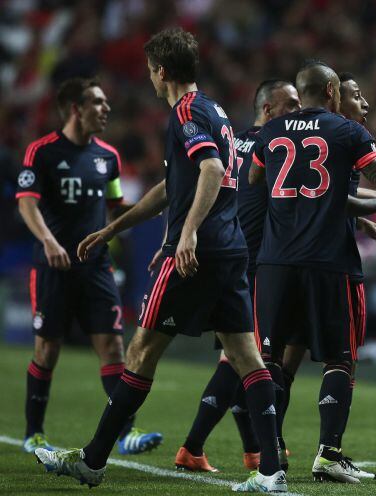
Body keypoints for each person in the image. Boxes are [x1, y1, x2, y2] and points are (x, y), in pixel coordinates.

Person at [34, 28, 287, 493]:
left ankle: (91, 461)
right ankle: (271, 471)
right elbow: (175, 187)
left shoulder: (186, 111)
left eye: (151, 70)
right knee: (248, 358)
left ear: (162, 71)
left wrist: (185, 234)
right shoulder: (216, 110)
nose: (150, 78)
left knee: (141, 350)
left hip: (199, 252)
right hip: (230, 250)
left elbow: (210, 169)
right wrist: (115, 228)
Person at [249, 60, 376, 484]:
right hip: (328, 262)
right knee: (340, 358)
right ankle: (329, 453)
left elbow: (255, 178)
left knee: (269, 359)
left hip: (276, 262)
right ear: (333, 90)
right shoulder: (348, 132)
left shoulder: (270, 131)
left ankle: (269, 460)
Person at [16, 77, 161, 455]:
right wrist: (48, 241)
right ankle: (34, 432)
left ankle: (125, 431)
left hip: (96, 266)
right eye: (97, 102)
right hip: (53, 266)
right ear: (75, 108)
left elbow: (115, 207)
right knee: (47, 350)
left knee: (114, 347)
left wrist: (159, 202)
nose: (106, 108)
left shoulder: (108, 157)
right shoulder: (42, 152)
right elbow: (27, 202)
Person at [174, 80, 300, 473]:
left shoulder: (233, 142)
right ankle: (197, 446)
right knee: (247, 358)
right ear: (266, 108)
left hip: (230, 255)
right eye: (289, 105)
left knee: (242, 355)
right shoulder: (278, 148)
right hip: (257, 261)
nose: (297, 113)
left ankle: (252, 449)